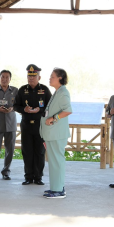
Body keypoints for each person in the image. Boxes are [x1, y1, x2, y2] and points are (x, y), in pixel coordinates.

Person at [13, 64, 51, 185]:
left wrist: (39, 110)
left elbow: (50, 107)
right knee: (27, 151)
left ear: (39, 77)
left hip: (40, 126)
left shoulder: (44, 90)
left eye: (34, 76)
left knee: (39, 151)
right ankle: (28, 177)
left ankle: (38, 177)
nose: (31, 78)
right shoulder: (22, 89)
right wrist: (24, 109)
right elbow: (15, 106)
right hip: (26, 126)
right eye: (29, 76)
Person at [40, 68, 72, 199]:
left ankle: (58, 190)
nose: (49, 78)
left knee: (57, 161)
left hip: (57, 133)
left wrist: (53, 118)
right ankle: (56, 187)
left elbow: (68, 110)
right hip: (52, 134)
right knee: (53, 162)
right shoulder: (58, 92)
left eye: (52, 76)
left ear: (60, 78)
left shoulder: (63, 92)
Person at [0, 70, 18, 180]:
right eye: (2, 77)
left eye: (7, 77)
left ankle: (6, 172)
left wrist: (12, 108)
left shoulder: (15, 90)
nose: (4, 79)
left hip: (11, 124)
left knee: (10, 149)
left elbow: (18, 105)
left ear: (10, 79)